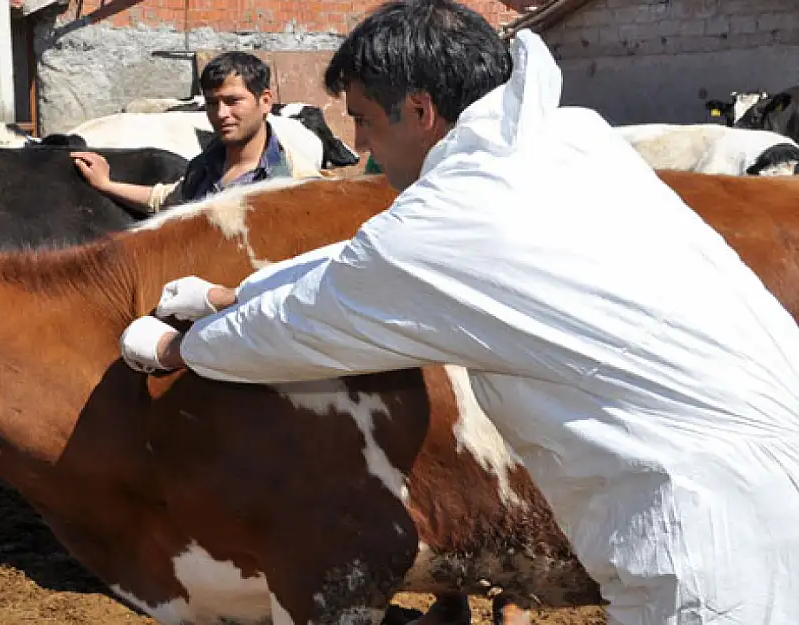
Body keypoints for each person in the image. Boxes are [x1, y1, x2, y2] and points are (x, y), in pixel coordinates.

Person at [116, 1, 799, 624]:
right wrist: (235, 295)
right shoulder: (563, 140)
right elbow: (372, 258)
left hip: (711, 544)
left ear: (419, 111)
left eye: (363, 118)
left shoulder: (457, 219)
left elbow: (316, 319)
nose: (357, 143)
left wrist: (184, 349)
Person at [71, 51, 320, 214]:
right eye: (212, 103)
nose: (221, 113)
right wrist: (106, 184)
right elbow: (165, 200)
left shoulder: (297, 184)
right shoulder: (205, 167)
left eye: (233, 101)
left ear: (265, 101)